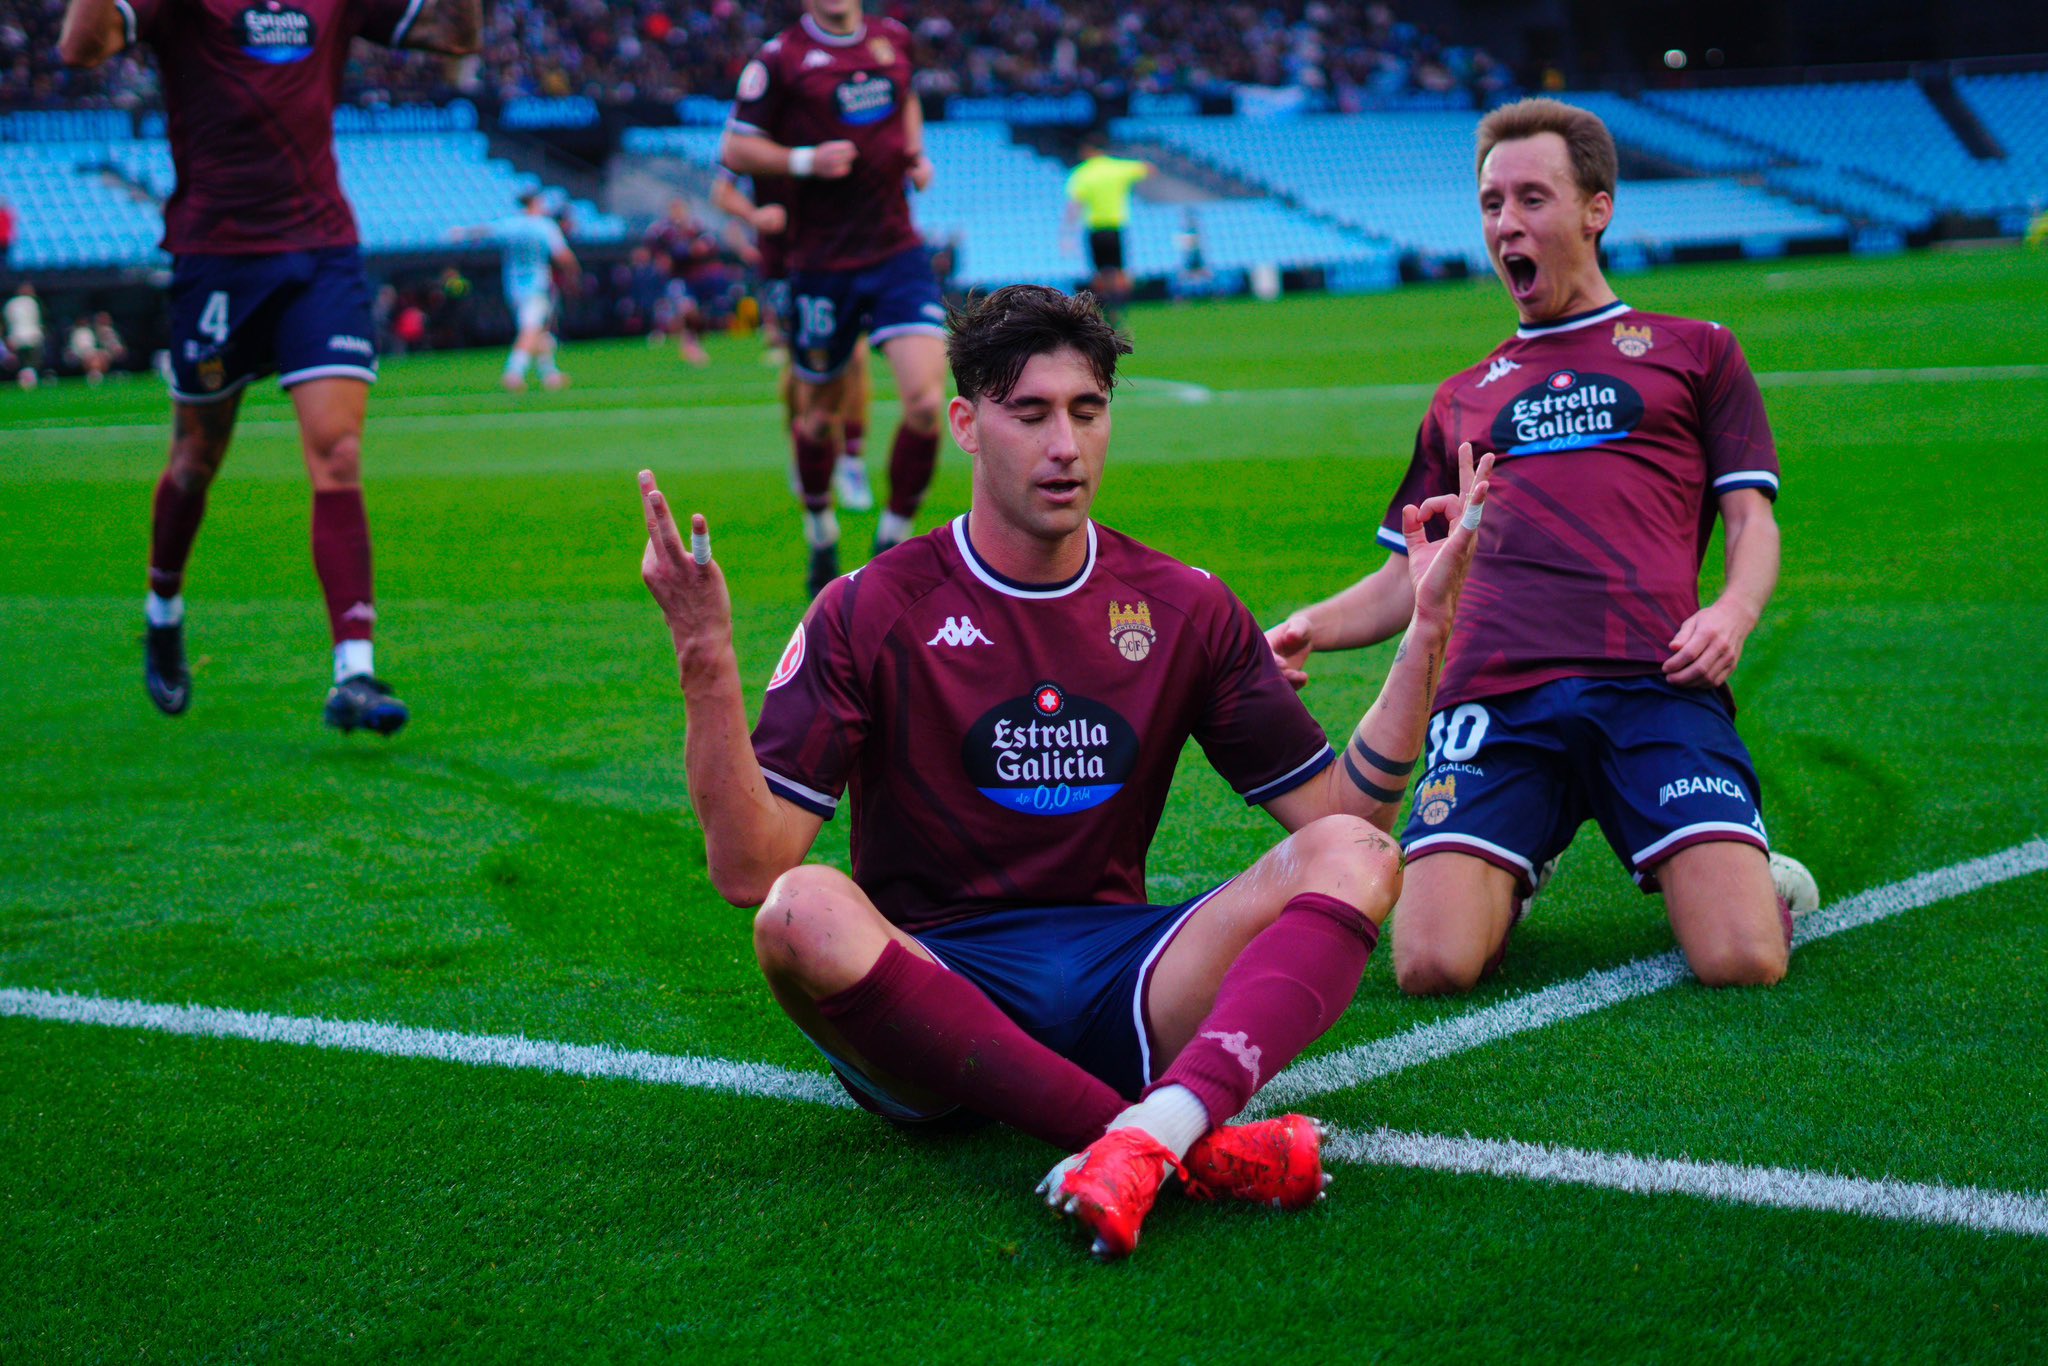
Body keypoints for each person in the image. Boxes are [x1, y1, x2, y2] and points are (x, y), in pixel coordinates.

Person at [636, 285, 1493, 1258]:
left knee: (1356, 854)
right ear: (966, 424)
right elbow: (749, 869)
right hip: (932, 997)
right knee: (798, 910)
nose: (1065, 446)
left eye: (1087, 411)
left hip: (1124, 982)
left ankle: (1153, 1131)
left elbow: (1346, 816)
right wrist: (704, 655)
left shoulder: (1181, 605)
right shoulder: (869, 608)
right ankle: (1178, 1143)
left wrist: (1425, 633)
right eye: (1030, 413)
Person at [1266, 98, 1818, 996]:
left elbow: (1752, 519)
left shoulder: (1697, 352)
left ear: (1597, 209)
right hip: (1496, 698)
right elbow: (1405, 579)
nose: (1506, 224)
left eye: (1531, 198)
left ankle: (1753, 879)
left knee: (1743, 959)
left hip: (1652, 680)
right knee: (1432, 965)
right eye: (1492, 203)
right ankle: (1516, 863)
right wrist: (1307, 628)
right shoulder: (1461, 397)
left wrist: (1733, 612)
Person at [59, 0, 482, 733]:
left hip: (320, 252)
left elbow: (457, 33)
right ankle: (163, 611)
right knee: (194, 460)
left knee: (338, 452)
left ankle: (354, 673)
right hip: (216, 257)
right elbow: (80, 48)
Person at [721, 0, 948, 597]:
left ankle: (891, 543)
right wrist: (805, 160)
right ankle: (820, 529)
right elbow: (735, 150)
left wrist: (915, 152)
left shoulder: (893, 38)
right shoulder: (780, 59)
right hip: (822, 264)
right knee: (818, 416)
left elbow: (907, 98)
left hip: (897, 251)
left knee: (927, 403)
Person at [712, 168, 876, 513]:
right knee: (800, 366)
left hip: (839, 260)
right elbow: (722, 191)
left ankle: (851, 460)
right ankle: (803, 452)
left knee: (856, 355)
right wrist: (754, 216)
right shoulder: (760, 141)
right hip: (785, 264)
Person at [452, 191, 579, 392]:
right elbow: (563, 255)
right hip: (537, 286)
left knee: (540, 330)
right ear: (535, 204)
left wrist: (462, 233)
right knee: (530, 329)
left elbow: (485, 231)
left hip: (514, 287)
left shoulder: (511, 225)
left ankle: (550, 374)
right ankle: (514, 373)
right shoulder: (544, 226)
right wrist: (574, 273)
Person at [1064, 137, 1153, 321]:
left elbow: (1075, 205)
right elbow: (1148, 168)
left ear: (1088, 151)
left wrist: (1067, 234)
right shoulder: (1117, 168)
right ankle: (1121, 308)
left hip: (1095, 229)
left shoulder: (1082, 173)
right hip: (1115, 227)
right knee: (1120, 271)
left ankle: (1104, 309)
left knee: (1099, 274)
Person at [67, 310, 125, 383]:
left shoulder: (108, 331)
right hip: (81, 356)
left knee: (99, 356)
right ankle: (94, 375)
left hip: (101, 354)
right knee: (94, 358)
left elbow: (114, 345)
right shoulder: (79, 332)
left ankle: (98, 375)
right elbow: (77, 349)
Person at [4, 282, 42, 389]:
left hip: (16, 336)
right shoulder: (32, 302)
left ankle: (23, 381)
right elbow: (37, 319)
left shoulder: (11, 303)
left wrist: (9, 337)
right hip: (32, 335)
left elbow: (8, 321)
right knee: (31, 361)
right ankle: (30, 381)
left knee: (23, 362)